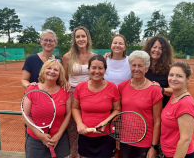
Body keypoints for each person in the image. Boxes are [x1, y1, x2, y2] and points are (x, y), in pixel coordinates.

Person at [72, 54, 121, 158]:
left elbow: (117, 109)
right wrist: (79, 123)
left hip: (106, 136)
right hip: (86, 135)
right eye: (94, 67)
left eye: (100, 68)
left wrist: (106, 122)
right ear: (89, 69)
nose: (97, 71)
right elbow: (75, 107)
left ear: (105, 70)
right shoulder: (80, 87)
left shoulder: (112, 87)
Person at [118, 50, 163, 158]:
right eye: (134, 65)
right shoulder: (121, 86)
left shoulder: (154, 90)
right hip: (125, 140)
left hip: (145, 142)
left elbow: (157, 120)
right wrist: (117, 137)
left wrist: (153, 147)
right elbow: (118, 113)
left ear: (146, 68)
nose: (136, 69)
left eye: (140, 66)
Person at [23, 59, 71, 158]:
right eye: (48, 68)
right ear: (43, 70)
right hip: (35, 139)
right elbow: (25, 115)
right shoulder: (31, 89)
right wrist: (40, 136)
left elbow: (68, 114)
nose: (52, 71)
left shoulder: (65, 91)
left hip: (59, 140)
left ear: (59, 74)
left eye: (56, 70)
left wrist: (58, 136)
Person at [62, 26, 95, 158]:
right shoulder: (67, 57)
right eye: (78, 37)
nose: (81, 39)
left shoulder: (94, 56)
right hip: (72, 96)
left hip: (89, 95)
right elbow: (64, 79)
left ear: (88, 38)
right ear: (74, 40)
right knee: (72, 129)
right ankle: (73, 154)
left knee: (87, 125)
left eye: (83, 36)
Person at [160, 61, 194, 158]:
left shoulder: (186, 104)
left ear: (187, 78)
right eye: (171, 75)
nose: (173, 79)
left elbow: (185, 140)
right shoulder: (174, 95)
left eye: (179, 76)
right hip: (168, 152)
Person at [142, 35, 174, 108]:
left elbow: (174, 90)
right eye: (154, 47)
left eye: (160, 48)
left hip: (162, 107)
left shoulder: (169, 69)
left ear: (164, 52)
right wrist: (111, 56)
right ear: (149, 48)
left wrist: (161, 89)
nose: (157, 50)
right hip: (144, 107)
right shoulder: (141, 66)